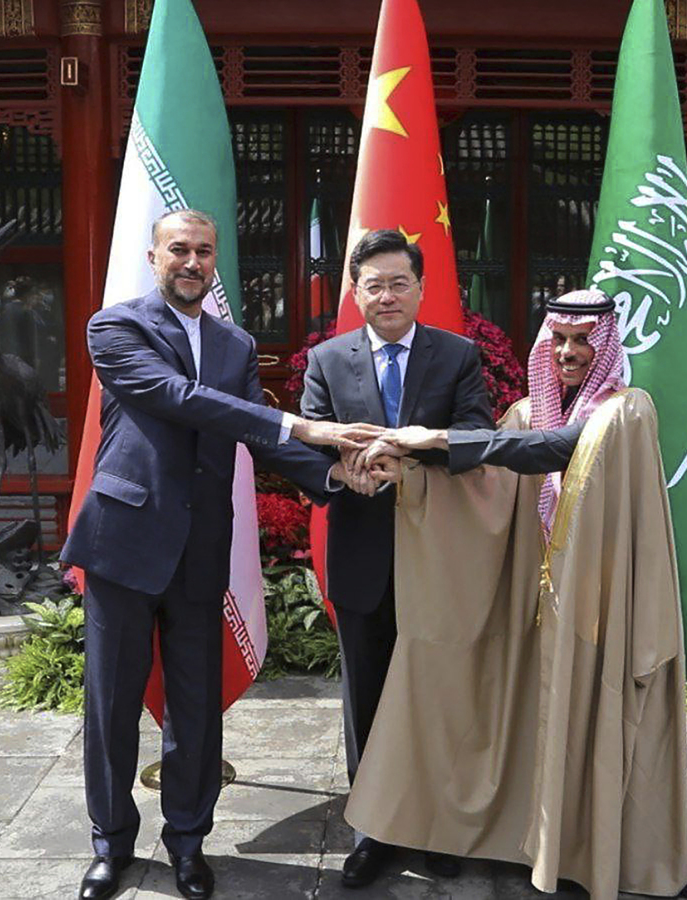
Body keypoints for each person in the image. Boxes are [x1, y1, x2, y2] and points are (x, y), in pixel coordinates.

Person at [61, 209, 381, 900]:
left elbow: (257, 437)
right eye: (179, 249)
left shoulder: (235, 344)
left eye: (204, 252)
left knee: (196, 708)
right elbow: (178, 398)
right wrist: (300, 421)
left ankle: (187, 843)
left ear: (215, 263)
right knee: (111, 706)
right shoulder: (115, 327)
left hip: (202, 546)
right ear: (154, 257)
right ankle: (111, 845)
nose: (192, 262)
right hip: (125, 540)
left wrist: (334, 474)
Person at [346, 289, 687, 899]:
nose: (567, 352)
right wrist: (411, 472)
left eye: (582, 340)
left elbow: (559, 448)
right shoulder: (523, 413)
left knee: (597, 721)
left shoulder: (627, 411)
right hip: (534, 605)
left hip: (601, 604)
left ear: (605, 345)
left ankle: (610, 856)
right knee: (533, 719)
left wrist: (434, 438)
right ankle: (540, 844)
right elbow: (486, 485)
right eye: (558, 340)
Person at [299, 228, 495, 888]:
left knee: (436, 692)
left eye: (399, 283)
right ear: (355, 293)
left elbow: (477, 436)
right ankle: (373, 831)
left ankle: (436, 826)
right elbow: (307, 445)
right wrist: (340, 473)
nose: (387, 296)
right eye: (374, 285)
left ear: (420, 288)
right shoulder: (328, 360)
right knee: (368, 696)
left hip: (437, 553)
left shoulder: (456, 355)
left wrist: (409, 455)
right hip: (362, 552)